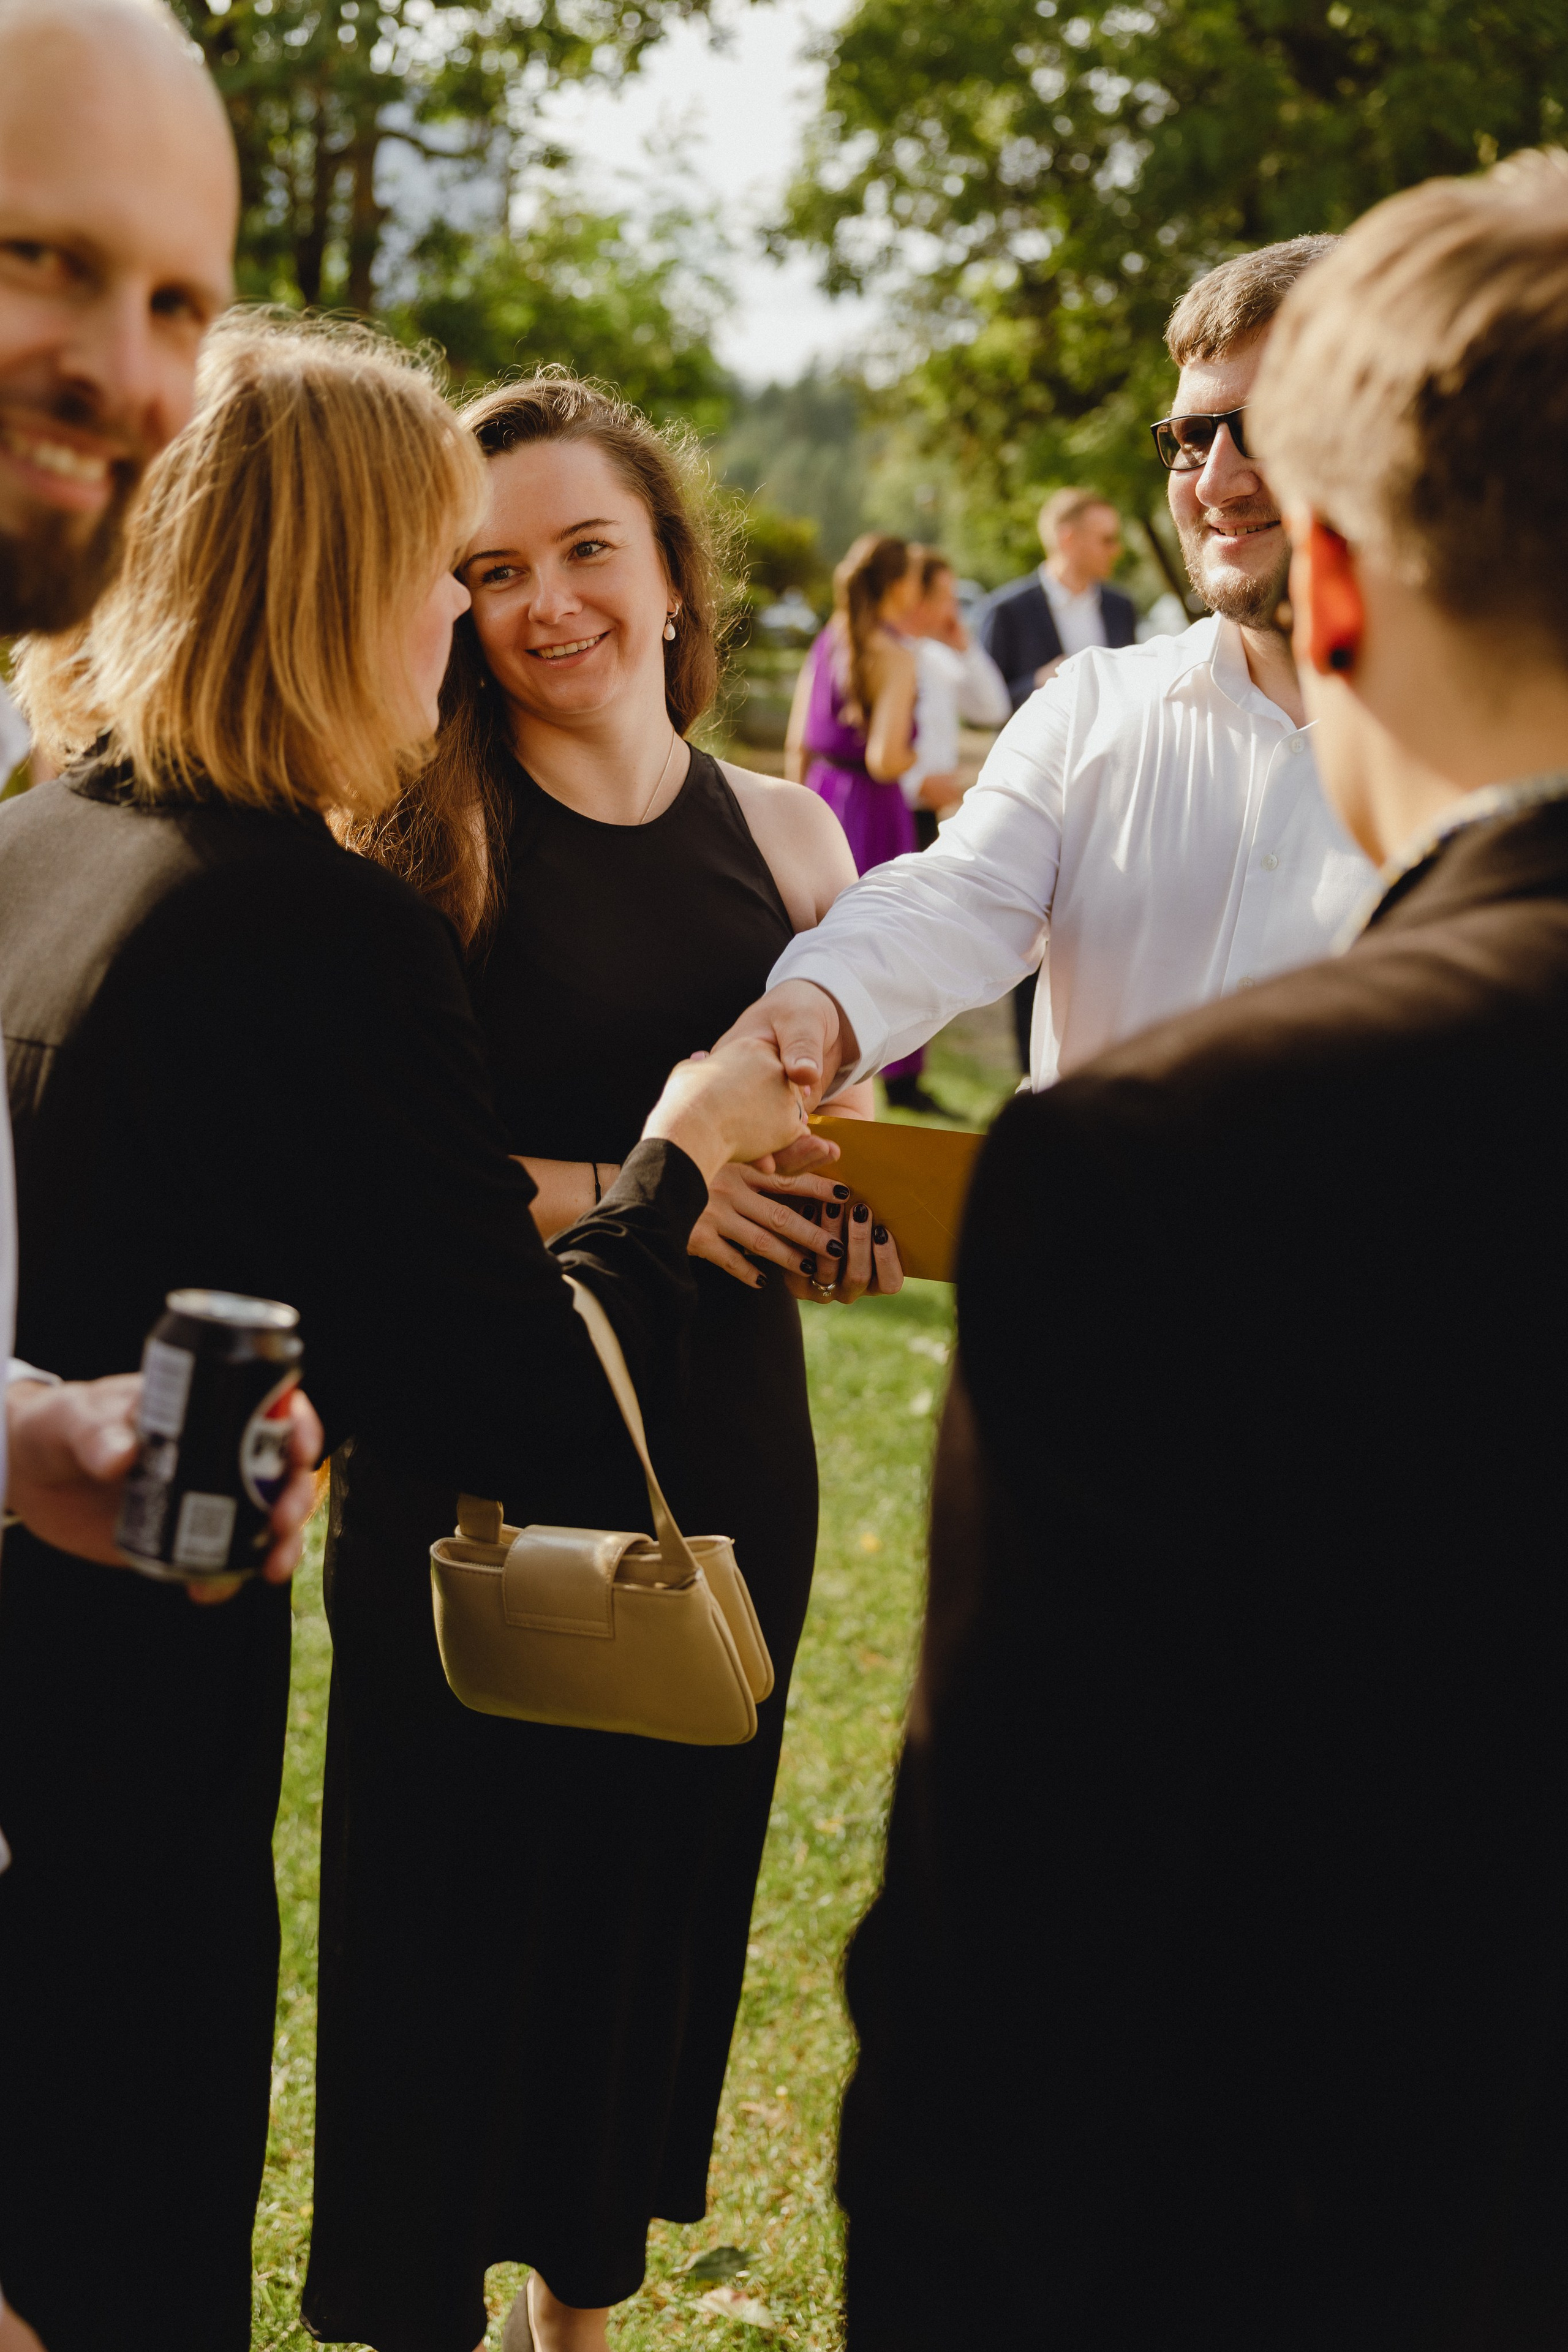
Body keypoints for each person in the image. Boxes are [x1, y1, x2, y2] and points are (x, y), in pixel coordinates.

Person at [0, 316, 804, 2352]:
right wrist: (682, 1161)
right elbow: (515, 1388)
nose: (464, 638)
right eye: (446, 574)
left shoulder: (35, 842)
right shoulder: (314, 926)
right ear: (343, 583)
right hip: (123, 1732)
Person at [839, 148, 1568, 2348]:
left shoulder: (1145, 1174)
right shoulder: (1089, 719)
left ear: (1335, 576)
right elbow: (936, 909)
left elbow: (1017, 1984)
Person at [301, 371, 902, 2352]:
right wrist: (626, 1178)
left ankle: (587, 2326)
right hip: (487, 1454)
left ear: (668, 577)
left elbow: (828, 1138)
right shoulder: (419, 829)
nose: (544, 600)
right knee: (449, 1940)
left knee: (651, 1938)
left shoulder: (800, 841)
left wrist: (852, 1222)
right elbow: (359, 1170)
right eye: (490, 569)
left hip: (730, 1462)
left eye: (585, 551)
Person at [725, 235, 1376, 1104]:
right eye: (1190, 436)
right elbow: (956, 898)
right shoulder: (1092, 709)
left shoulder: (1502, 756)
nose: (1216, 480)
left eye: (1264, 429)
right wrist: (811, 1006)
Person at [785, 533, 940, 1109]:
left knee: (812, 931)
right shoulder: (895, 655)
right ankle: (875, 1074)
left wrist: (793, 808)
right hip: (873, 809)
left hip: (819, 796)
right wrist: (932, 761)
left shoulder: (830, 639)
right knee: (878, 939)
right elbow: (885, 758)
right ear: (901, 587)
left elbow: (797, 738)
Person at [977, 485, 1136, 714]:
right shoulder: (1007, 612)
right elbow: (986, 709)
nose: (1116, 550)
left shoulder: (1121, 608)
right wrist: (1038, 683)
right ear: (1068, 539)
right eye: (1107, 540)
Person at [899, 547, 1011, 848]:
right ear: (918, 599)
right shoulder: (886, 658)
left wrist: (966, 647)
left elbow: (993, 710)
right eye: (947, 596)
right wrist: (916, 785)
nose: (955, 607)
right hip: (890, 811)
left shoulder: (937, 659)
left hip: (927, 821)